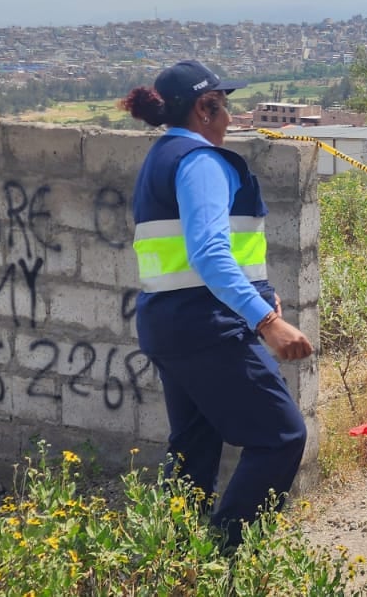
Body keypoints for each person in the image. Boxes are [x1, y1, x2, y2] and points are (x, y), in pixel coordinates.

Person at [121, 59, 315, 550]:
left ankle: (173, 555)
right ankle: (224, 557)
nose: (230, 118)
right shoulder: (200, 162)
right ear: (205, 109)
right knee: (281, 437)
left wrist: (259, 299)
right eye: (224, 106)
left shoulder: (162, 158)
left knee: (194, 444)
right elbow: (208, 253)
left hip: (170, 324)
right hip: (207, 327)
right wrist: (267, 321)